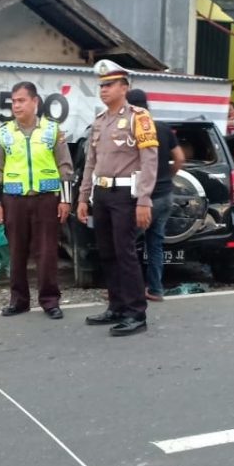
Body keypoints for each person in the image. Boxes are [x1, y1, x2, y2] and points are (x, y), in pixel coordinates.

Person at [76, 60, 158, 336]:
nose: (104, 90)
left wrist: (144, 200)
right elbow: (91, 162)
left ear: (125, 87)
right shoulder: (100, 121)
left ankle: (136, 312)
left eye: (109, 85)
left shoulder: (139, 117)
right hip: (101, 193)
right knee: (107, 252)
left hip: (125, 194)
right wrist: (83, 197)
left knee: (125, 254)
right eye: (101, 86)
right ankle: (116, 306)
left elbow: (149, 161)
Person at [0, 82, 73, 318]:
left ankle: (49, 300)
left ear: (35, 102)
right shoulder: (4, 133)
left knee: (47, 252)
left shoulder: (52, 131)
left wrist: (65, 200)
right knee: (16, 251)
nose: (16, 105)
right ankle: (19, 300)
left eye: (21, 100)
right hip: (14, 200)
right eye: (13, 101)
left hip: (46, 199)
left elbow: (65, 167)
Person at [128, 89, 185, 301]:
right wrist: (168, 176)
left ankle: (128, 290)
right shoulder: (162, 128)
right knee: (155, 244)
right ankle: (155, 289)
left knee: (127, 244)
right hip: (166, 195)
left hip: (144, 198)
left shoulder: (133, 130)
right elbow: (179, 158)